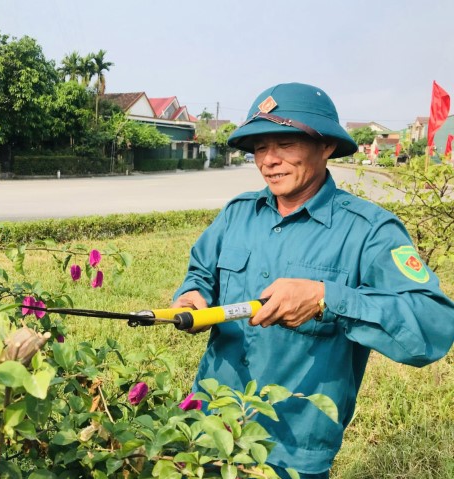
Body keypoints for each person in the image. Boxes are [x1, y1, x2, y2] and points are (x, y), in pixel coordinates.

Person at [172, 82, 454, 478]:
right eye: (259, 147)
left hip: (289, 448)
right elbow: (201, 271)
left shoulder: (369, 232)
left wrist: (328, 298)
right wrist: (191, 296)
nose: (269, 160)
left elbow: (435, 324)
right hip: (205, 424)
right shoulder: (238, 214)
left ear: (325, 146)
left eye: (285, 144)